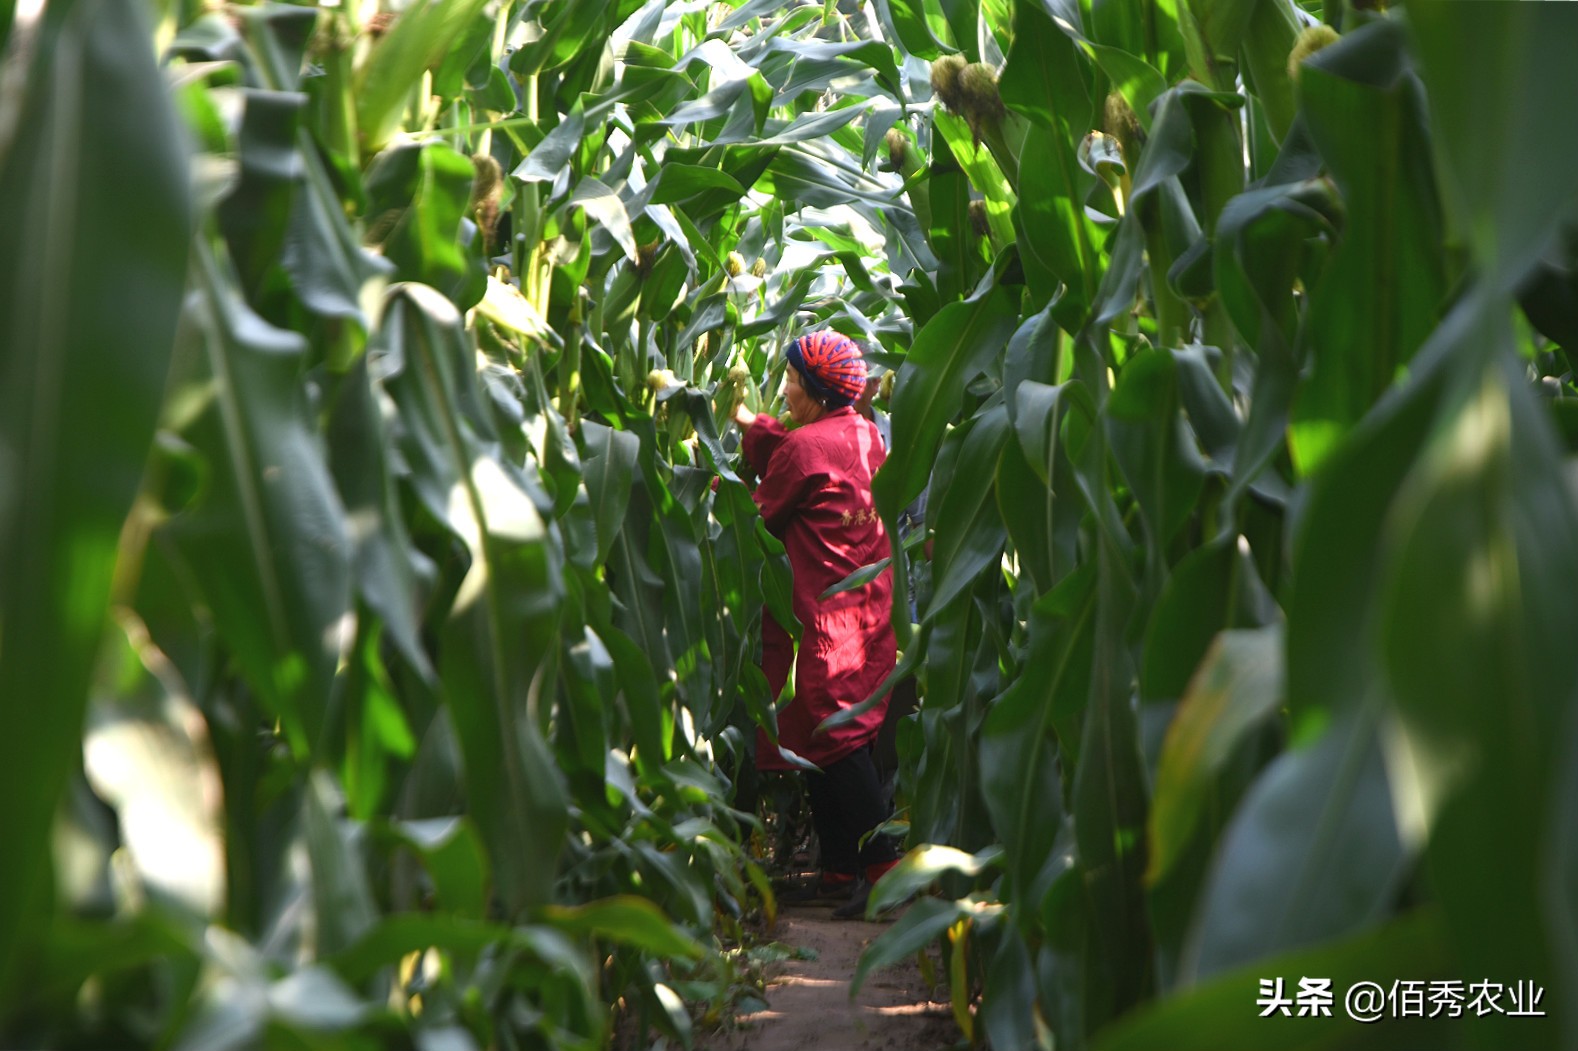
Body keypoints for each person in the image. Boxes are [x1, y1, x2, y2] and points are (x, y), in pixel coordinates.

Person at [731, 331, 899, 919]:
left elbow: (759, 513)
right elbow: (804, 454)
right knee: (822, 731)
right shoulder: (862, 433)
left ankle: (883, 867)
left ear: (820, 392)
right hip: (868, 606)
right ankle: (837, 867)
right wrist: (752, 422)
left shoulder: (803, 451)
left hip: (826, 617)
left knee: (835, 733)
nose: (784, 389)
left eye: (794, 382)